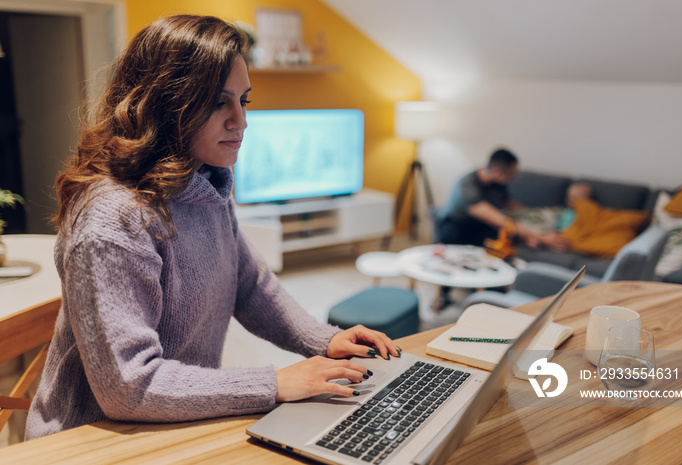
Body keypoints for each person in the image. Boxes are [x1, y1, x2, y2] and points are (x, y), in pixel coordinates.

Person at [25, 15, 400, 440]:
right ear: (164, 103)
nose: (240, 121)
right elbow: (129, 386)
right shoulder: (112, 218)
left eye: (244, 101)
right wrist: (274, 383)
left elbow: (248, 282)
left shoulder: (206, 183)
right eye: (219, 102)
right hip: (90, 438)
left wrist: (323, 341)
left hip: (174, 416)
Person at [435, 148, 566, 250]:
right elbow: (500, 221)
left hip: (480, 225)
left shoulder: (497, 184)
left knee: (511, 239)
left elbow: (511, 204)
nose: (513, 178)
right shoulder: (468, 187)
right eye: (511, 175)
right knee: (506, 233)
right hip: (456, 227)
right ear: (497, 172)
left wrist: (532, 217)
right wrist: (540, 237)